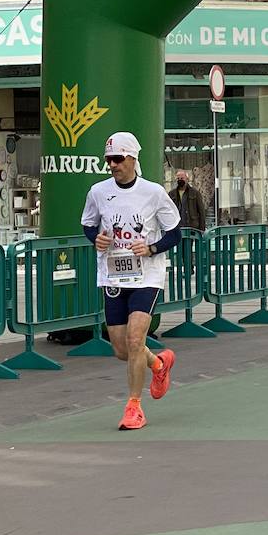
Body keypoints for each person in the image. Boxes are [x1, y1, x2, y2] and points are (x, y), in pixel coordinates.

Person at [81, 131, 182, 432]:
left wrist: (151, 248)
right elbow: (88, 225)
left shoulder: (153, 193)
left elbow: (175, 233)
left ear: (133, 159)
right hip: (112, 274)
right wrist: (95, 238)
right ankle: (159, 365)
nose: (112, 165)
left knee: (136, 339)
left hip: (146, 274)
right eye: (108, 160)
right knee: (123, 350)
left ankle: (134, 408)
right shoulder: (98, 192)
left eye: (117, 159)